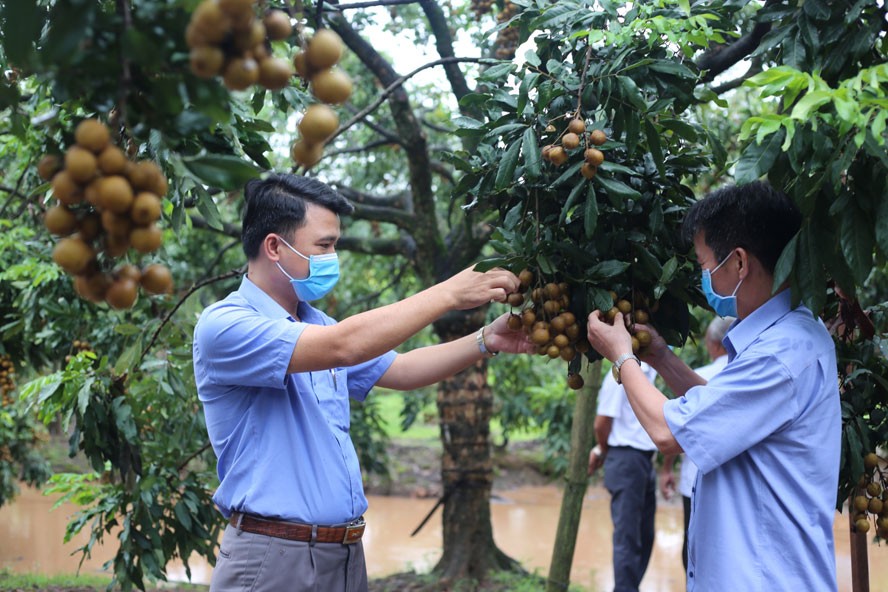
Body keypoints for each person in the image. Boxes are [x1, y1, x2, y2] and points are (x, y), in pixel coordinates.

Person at [192, 174, 534, 592]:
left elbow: (403, 369)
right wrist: (449, 294)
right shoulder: (226, 326)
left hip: (345, 555)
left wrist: (487, 340)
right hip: (273, 558)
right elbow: (344, 346)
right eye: (324, 245)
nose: (333, 256)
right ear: (275, 247)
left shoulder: (317, 325)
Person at [585, 181, 841, 591]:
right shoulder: (783, 340)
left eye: (706, 266)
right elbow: (717, 412)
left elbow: (668, 432)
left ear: (739, 263)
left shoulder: (782, 353)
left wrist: (621, 355)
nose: (705, 278)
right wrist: (663, 359)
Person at [659, 316, 732, 576]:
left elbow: (670, 434)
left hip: (694, 481)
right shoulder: (745, 373)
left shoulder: (699, 377)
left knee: (694, 552)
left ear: (714, 345)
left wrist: (623, 359)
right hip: (734, 486)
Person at [588, 361, 659, 592]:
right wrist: (603, 449)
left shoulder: (649, 373)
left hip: (644, 460)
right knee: (627, 539)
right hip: (625, 459)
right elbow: (602, 423)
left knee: (645, 536)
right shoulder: (618, 376)